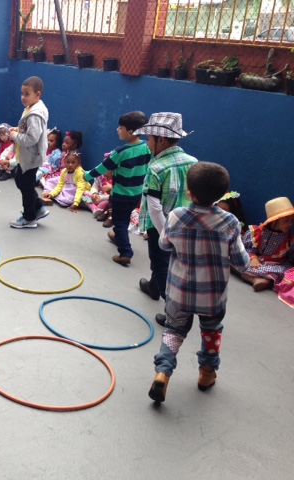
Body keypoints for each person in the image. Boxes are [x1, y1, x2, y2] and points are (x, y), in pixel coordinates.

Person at [148, 162, 250, 403]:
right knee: (211, 332)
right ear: (222, 195)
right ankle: (206, 373)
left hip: (178, 293)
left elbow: (164, 244)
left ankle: (163, 372)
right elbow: (241, 263)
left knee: (173, 331)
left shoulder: (176, 216)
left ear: (189, 192)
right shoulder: (230, 222)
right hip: (213, 298)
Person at [134, 113, 198, 325]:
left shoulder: (156, 168)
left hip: (162, 227)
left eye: (149, 139)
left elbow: (154, 207)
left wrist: (164, 234)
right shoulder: (193, 162)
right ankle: (153, 287)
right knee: (169, 261)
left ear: (160, 140)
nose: (147, 143)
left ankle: (174, 316)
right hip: (186, 224)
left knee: (160, 265)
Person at [84, 111, 151, 266]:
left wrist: (87, 175)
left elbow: (103, 168)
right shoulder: (147, 148)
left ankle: (125, 252)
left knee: (119, 222)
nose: (117, 130)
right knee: (125, 217)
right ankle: (118, 236)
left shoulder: (120, 152)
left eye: (120, 127)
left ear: (130, 131)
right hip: (136, 194)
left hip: (121, 195)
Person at [3, 76, 50, 229]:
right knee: (20, 181)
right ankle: (38, 207)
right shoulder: (31, 107)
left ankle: (29, 218)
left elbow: (31, 138)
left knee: (26, 186)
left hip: (31, 156)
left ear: (38, 94)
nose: (23, 97)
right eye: (22, 93)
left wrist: (15, 136)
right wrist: (18, 130)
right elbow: (29, 130)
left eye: (27, 94)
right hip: (26, 156)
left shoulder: (35, 114)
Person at [240, 197, 294, 293]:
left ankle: (262, 280)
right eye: (286, 221)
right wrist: (253, 258)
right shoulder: (259, 233)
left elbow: (290, 257)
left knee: (284, 272)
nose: (290, 224)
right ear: (274, 221)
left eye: (291, 220)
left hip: (278, 265)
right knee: (240, 263)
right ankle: (261, 280)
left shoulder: (289, 238)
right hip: (258, 262)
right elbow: (247, 248)